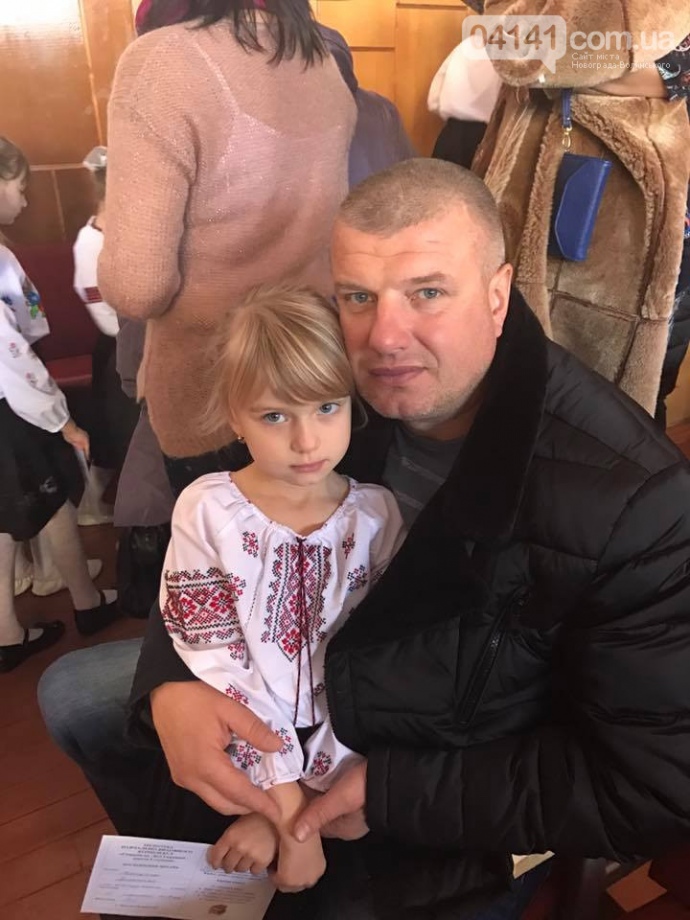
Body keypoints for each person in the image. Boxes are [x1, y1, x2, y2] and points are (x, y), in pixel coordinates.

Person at [40, 160, 690, 918]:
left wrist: (389, 793)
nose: (384, 338)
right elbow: (225, 542)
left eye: (428, 293)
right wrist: (172, 683)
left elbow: (654, 784)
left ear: (497, 293)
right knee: (75, 696)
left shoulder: (633, 498)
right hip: (303, 693)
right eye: (358, 296)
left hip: (449, 793)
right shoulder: (339, 385)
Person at [163, 285, 403, 890]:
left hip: (347, 740)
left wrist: (301, 816)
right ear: (234, 415)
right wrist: (286, 806)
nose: (306, 441)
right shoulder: (207, 510)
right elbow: (215, 657)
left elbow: (381, 654)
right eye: (275, 416)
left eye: (327, 407)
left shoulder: (377, 516)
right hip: (241, 731)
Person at [99, 0, 356, 485]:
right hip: (312, 380)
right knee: (318, 528)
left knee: (220, 531)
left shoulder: (165, 60)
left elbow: (136, 288)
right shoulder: (319, 58)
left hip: (213, 393)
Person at [471, 2, 690, 416]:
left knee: (624, 407)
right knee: (512, 379)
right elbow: (519, 45)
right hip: (527, 189)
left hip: (652, 222)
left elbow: (532, 55)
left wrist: (566, 75)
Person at [0, 137, 118, 673]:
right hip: (14, 408)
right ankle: (87, 604)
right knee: (55, 502)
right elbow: (13, 353)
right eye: (19, 188)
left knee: (7, 515)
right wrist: (62, 419)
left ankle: (7, 630)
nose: (25, 200)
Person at [73, 145, 139, 524]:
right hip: (120, 349)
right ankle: (97, 509)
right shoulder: (90, 243)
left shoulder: (127, 234)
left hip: (137, 341)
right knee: (123, 438)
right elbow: (106, 317)